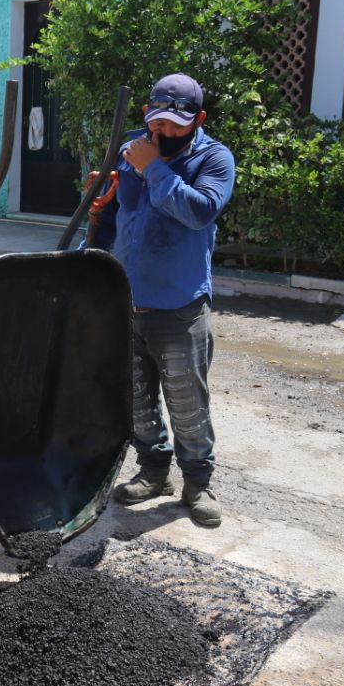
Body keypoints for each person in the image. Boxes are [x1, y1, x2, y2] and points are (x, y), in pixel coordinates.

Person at [105, 73, 235, 528]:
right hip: (126, 301)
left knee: (187, 402)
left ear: (197, 119)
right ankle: (153, 472)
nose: (163, 132)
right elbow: (114, 219)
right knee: (137, 399)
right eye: (157, 122)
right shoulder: (132, 150)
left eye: (176, 125)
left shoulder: (213, 158)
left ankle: (198, 482)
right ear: (146, 114)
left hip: (180, 305)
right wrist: (100, 197)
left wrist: (153, 168)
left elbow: (199, 212)